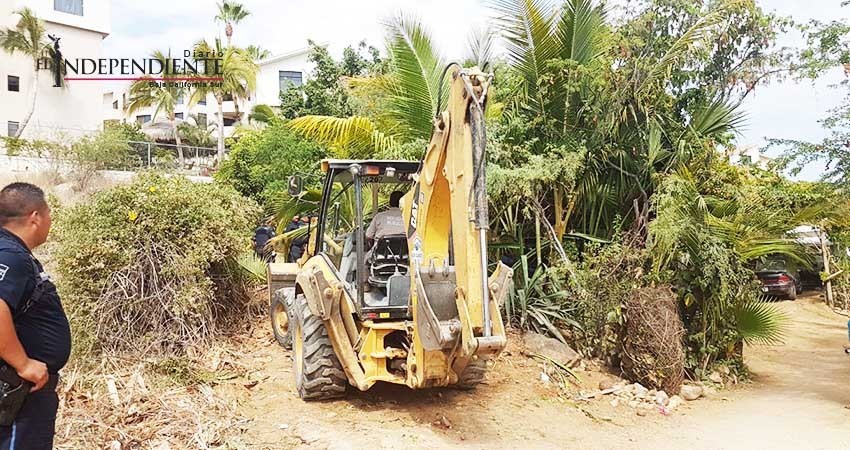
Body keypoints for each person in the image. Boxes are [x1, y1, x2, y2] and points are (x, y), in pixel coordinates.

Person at [0, 183, 71, 449]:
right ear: (35, 217)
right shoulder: (11, 256)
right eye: (49, 214)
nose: (50, 222)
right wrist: (23, 364)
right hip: (18, 392)